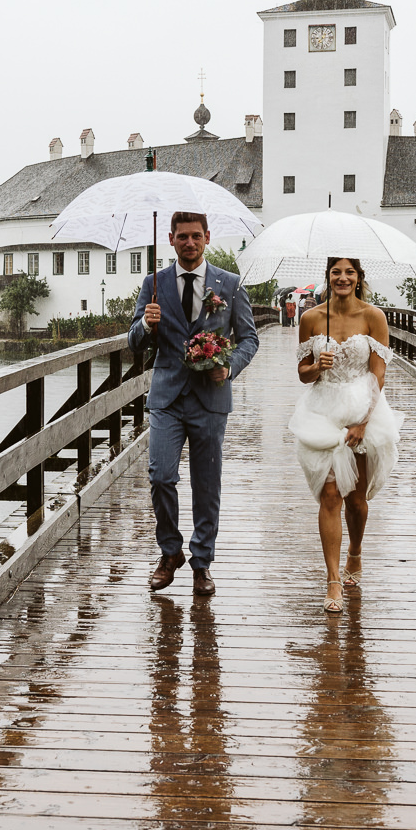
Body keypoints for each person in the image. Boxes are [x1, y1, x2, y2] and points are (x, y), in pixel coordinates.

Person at [129, 212, 259, 596]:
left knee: (207, 484)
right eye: (182, 237)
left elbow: (249, 338)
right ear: (171, 239)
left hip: (210, 398)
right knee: (160, 476)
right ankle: (170, 552)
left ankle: (202, 563)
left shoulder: (230, 285)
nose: (189, 243)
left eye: (195, 236)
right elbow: (135, 343)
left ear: (207, 237)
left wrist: (229, 367)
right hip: (167, 397)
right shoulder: (153, 284)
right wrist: (146, 326)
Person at [289, 257, 404, 613]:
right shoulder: (310, 318)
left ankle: (355, 551)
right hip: (322, 410)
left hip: (363, 408)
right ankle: (333, 580)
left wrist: (363, 422)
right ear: (328, 277)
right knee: (330, 494)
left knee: (356, 498)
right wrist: (315, 366)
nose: (342, 278)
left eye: (348, 272)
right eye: (336, 272)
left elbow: (379, 375)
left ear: (358, 278)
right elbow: (303, 374)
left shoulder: (374, 317)